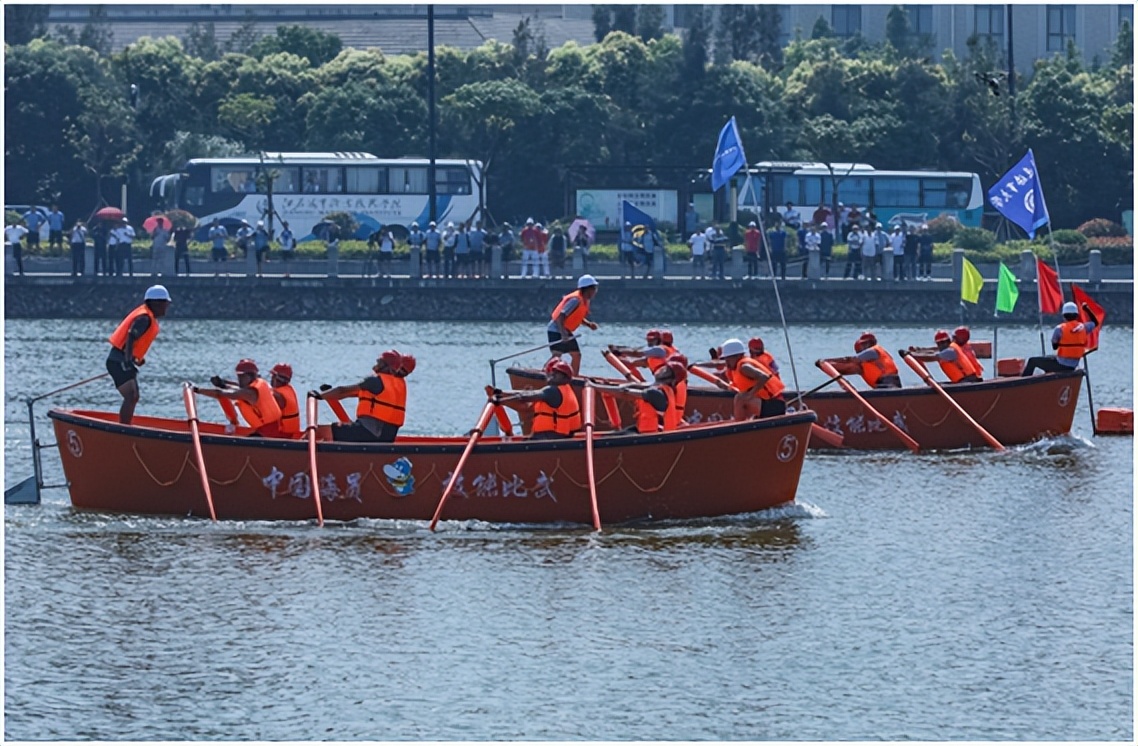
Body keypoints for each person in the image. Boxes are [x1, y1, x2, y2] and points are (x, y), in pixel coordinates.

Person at [106, 285, 172, 424]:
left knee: (133, 396)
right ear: (156, 303)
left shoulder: (148, 316)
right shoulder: (144, 318)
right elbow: (131, 335)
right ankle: (124, 428)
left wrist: (136, 359)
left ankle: (125, 426)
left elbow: (133, 341)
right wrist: (128, 359)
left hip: (120, 359)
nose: (166, 307)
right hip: (119, 361)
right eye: (165, 304)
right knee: (131, 396)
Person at [315, 350, 408, 442]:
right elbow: (348, 393)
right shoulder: (397, 384)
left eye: (379, 363)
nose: (374, 366)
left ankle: (302, 453)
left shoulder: (374, 381)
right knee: (331, 433)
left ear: (387, 367)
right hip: (387, 437)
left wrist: (318, 396)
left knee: (318, 431)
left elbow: (342, 391)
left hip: (367, 432)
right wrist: (328, 393)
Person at [494, 357, 582, 439]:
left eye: (556, 373)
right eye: (552, 372)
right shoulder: (566, 390)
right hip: (562, 437)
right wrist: (502, 394)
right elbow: (526, 401)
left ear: (565, 377)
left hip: (552, 438)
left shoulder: (552, 391)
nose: (552, 374)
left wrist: (501, 399)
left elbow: (524, 396)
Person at [194, 359, 284, 438]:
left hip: (269, 435)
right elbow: (237, 388)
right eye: (238, 376)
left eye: (242, 376)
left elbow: (221, 394)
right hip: (268, 430)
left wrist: (197, 390)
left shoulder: (250, 393)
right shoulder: (259, 384)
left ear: (250, 376)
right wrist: (223, 384)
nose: (239, 379)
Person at [594, 359, 687, 434]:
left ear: (672, 380)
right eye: (664, 368)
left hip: (652, 436)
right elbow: (636, 386)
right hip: (647, 430)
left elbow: (625, 393)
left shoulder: (656, 393)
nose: (661, 370)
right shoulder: (661, 388)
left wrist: (594, 387)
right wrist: (607, 386)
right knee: (612, 435)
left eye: (666, 371)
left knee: (613, 438)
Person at [1022, 302, 1099, 376]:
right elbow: (1095, 322)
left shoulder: (1060, 328)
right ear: (1077, 315)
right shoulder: (1084, 328)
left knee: (1032, 361)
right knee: (1048, 358)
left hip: (1061, 366)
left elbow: (1054, 347)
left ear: (1064, 316)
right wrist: (1087, 309)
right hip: (1073, 365)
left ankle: (1023, 383)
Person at [717, 338, 786, 420]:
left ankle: (739, 427)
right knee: (741, 397)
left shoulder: (744, 367)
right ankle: (744, 422)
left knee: (740, 398)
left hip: (775, 405)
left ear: (738, 356)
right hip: (765, 403)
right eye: (725, 360)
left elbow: (764, 377)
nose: (727, 363)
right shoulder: (736, 368)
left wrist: (751, 394)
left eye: (728, 360)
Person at [547, 274, 600, 375]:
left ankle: (573, 378)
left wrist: (588, 324)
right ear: (588, 289)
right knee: (557, 355)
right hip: (556, 329)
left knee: (576, 355)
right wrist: (563, 334)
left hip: (565, 330)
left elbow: (576, 316)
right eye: (594, 288)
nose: (595, 291)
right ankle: (546, 374)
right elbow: (560, 317)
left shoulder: (584, 300)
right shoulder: (575, 300)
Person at [820, 332, 901, 389]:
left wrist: (826, 361)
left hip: (888, 383)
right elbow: (847, 368)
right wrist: (826, 366)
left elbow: (850, 360)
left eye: (865, 344)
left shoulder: (873, 351)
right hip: (882, 385)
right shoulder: (865, 365)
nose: (863, 347)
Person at [907, 329, 981, 383]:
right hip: (964, 381)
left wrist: (912, 356)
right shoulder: (951, 348)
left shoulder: (950, 352)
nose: (939, 346)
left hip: (968, 382)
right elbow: (932, 351)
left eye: (939, 344)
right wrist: (918, 351)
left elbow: (931, 357)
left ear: (945, 342)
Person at [268, 363, 301, 439]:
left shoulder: (278, 395)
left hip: (285, 436)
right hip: (292, 434)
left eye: (272, 376)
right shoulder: (289, 389)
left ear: (276, 378)